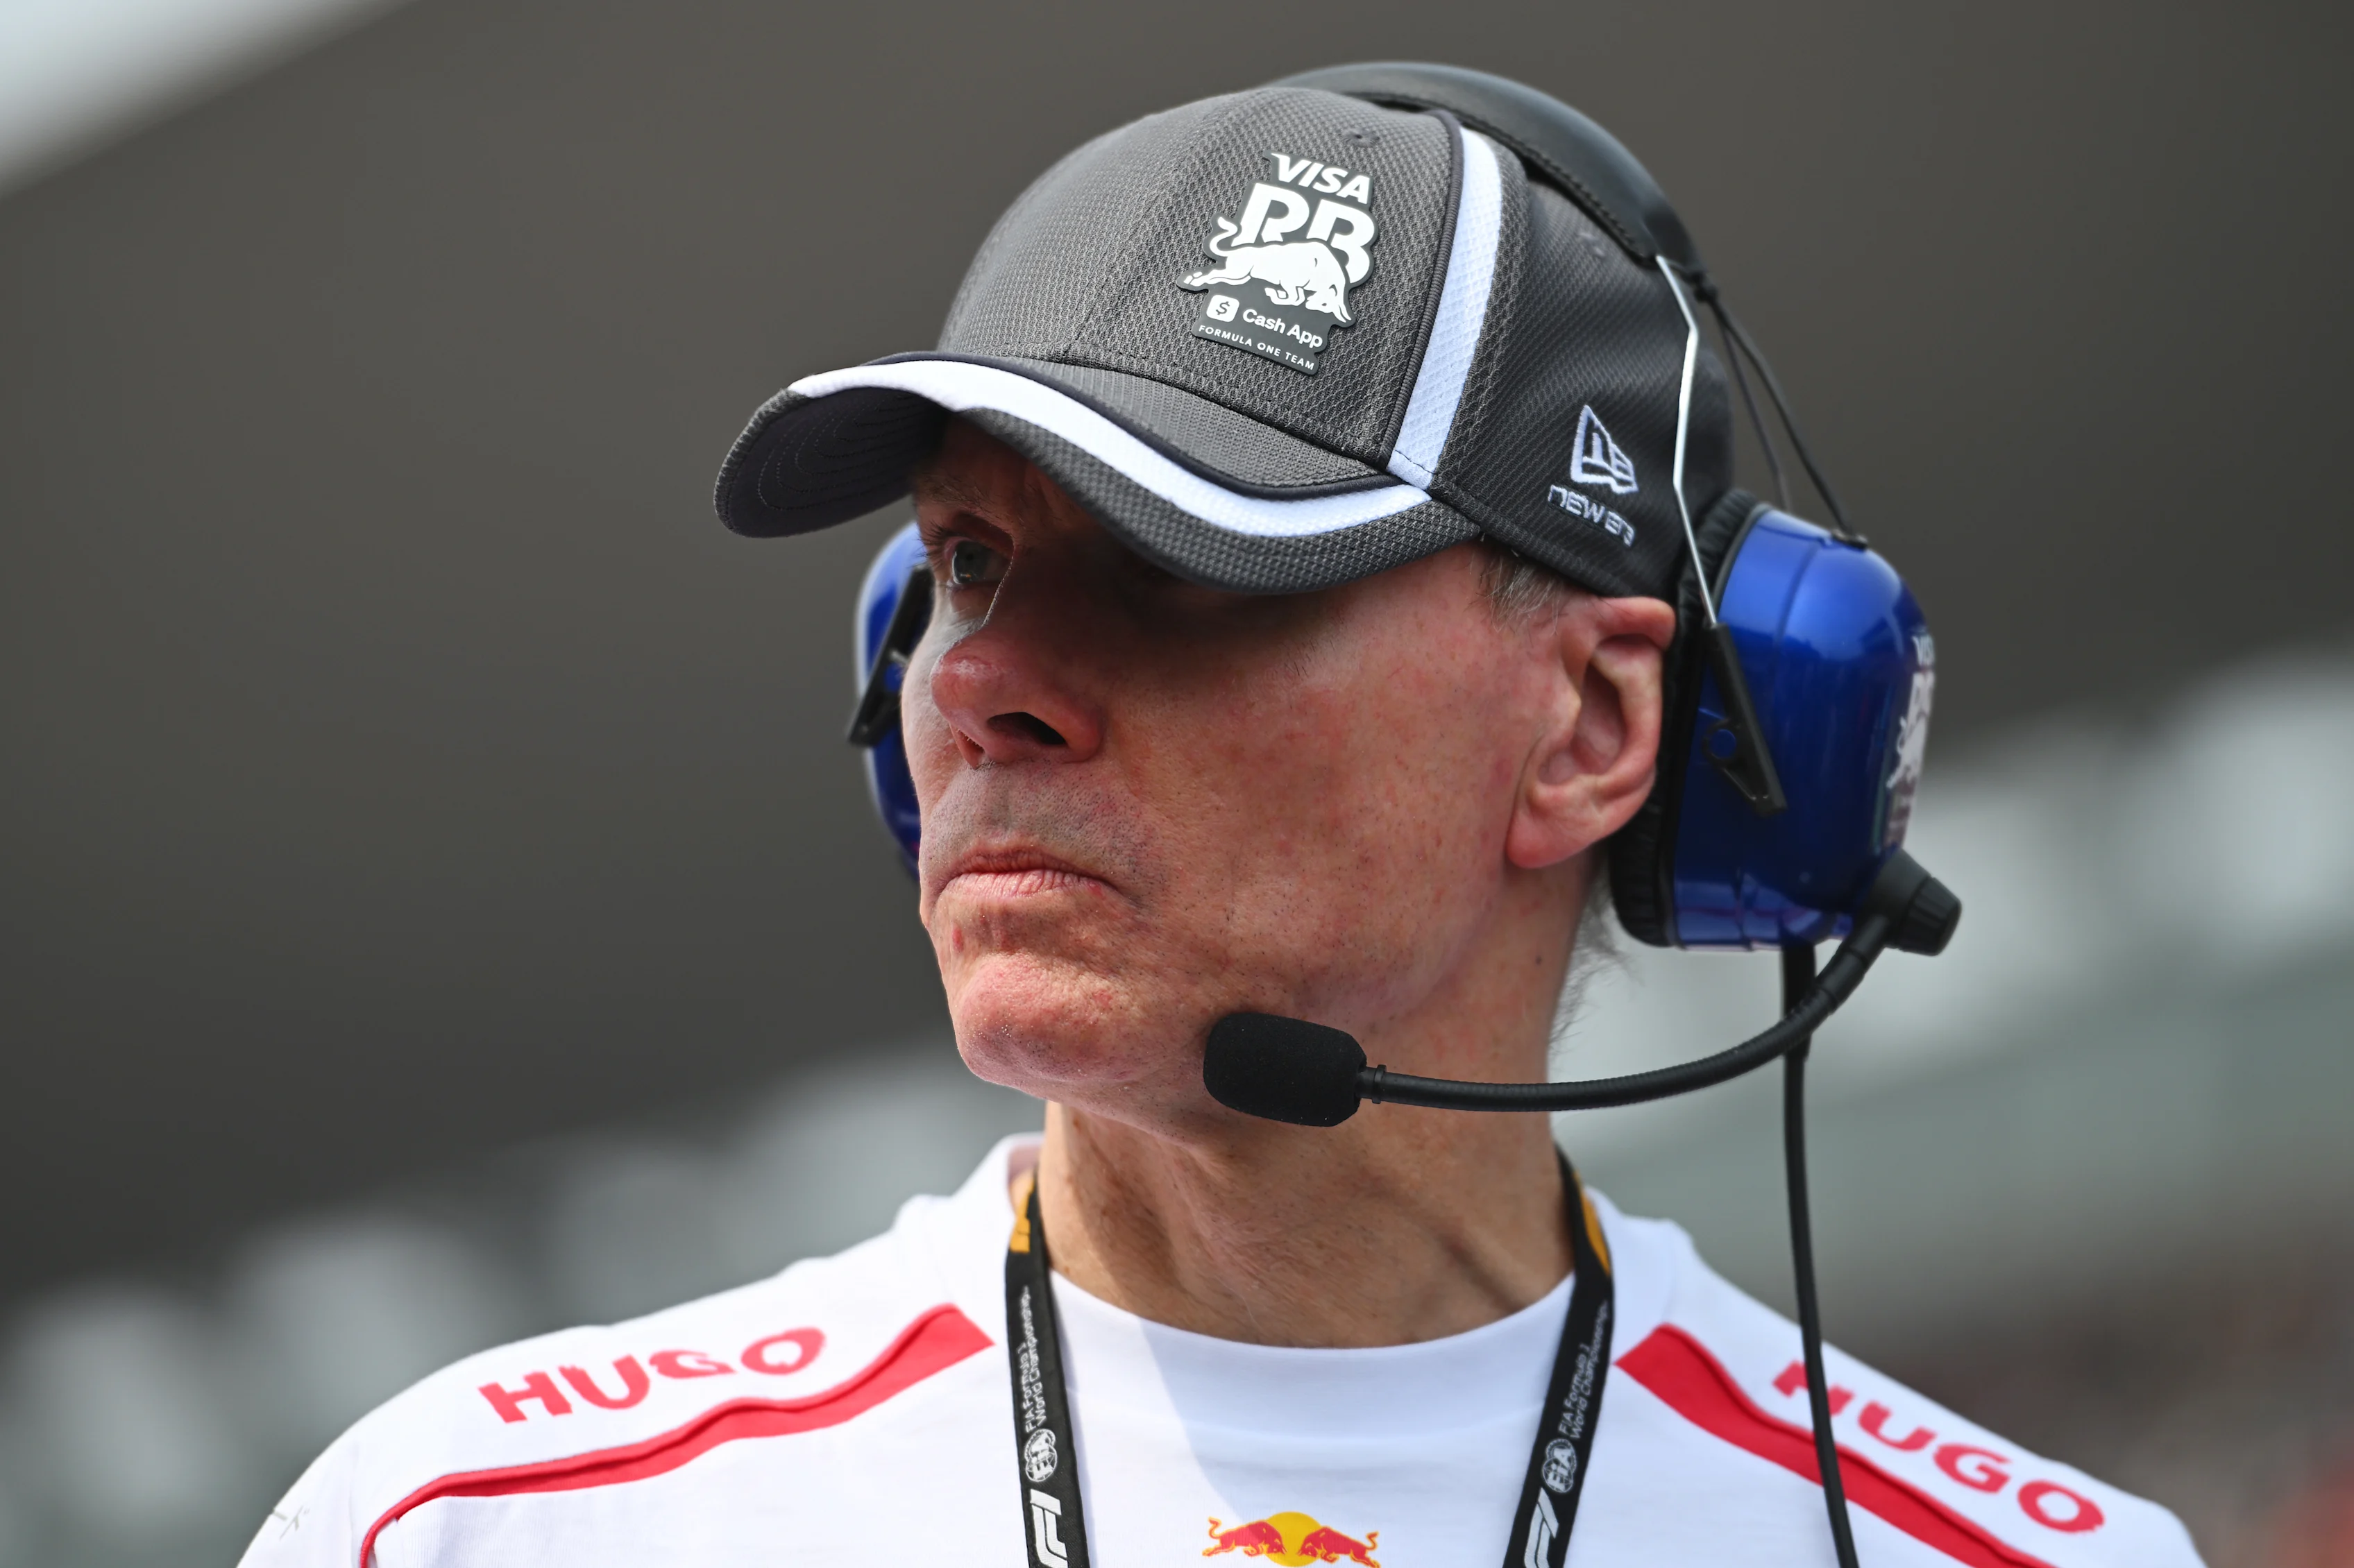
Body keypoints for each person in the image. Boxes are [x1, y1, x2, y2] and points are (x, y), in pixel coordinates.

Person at [241, 68, 2204, 1568]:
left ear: (1598, 726)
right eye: (970, 563)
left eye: (1198, 572)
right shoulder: (479, 1526)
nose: (988, 678)